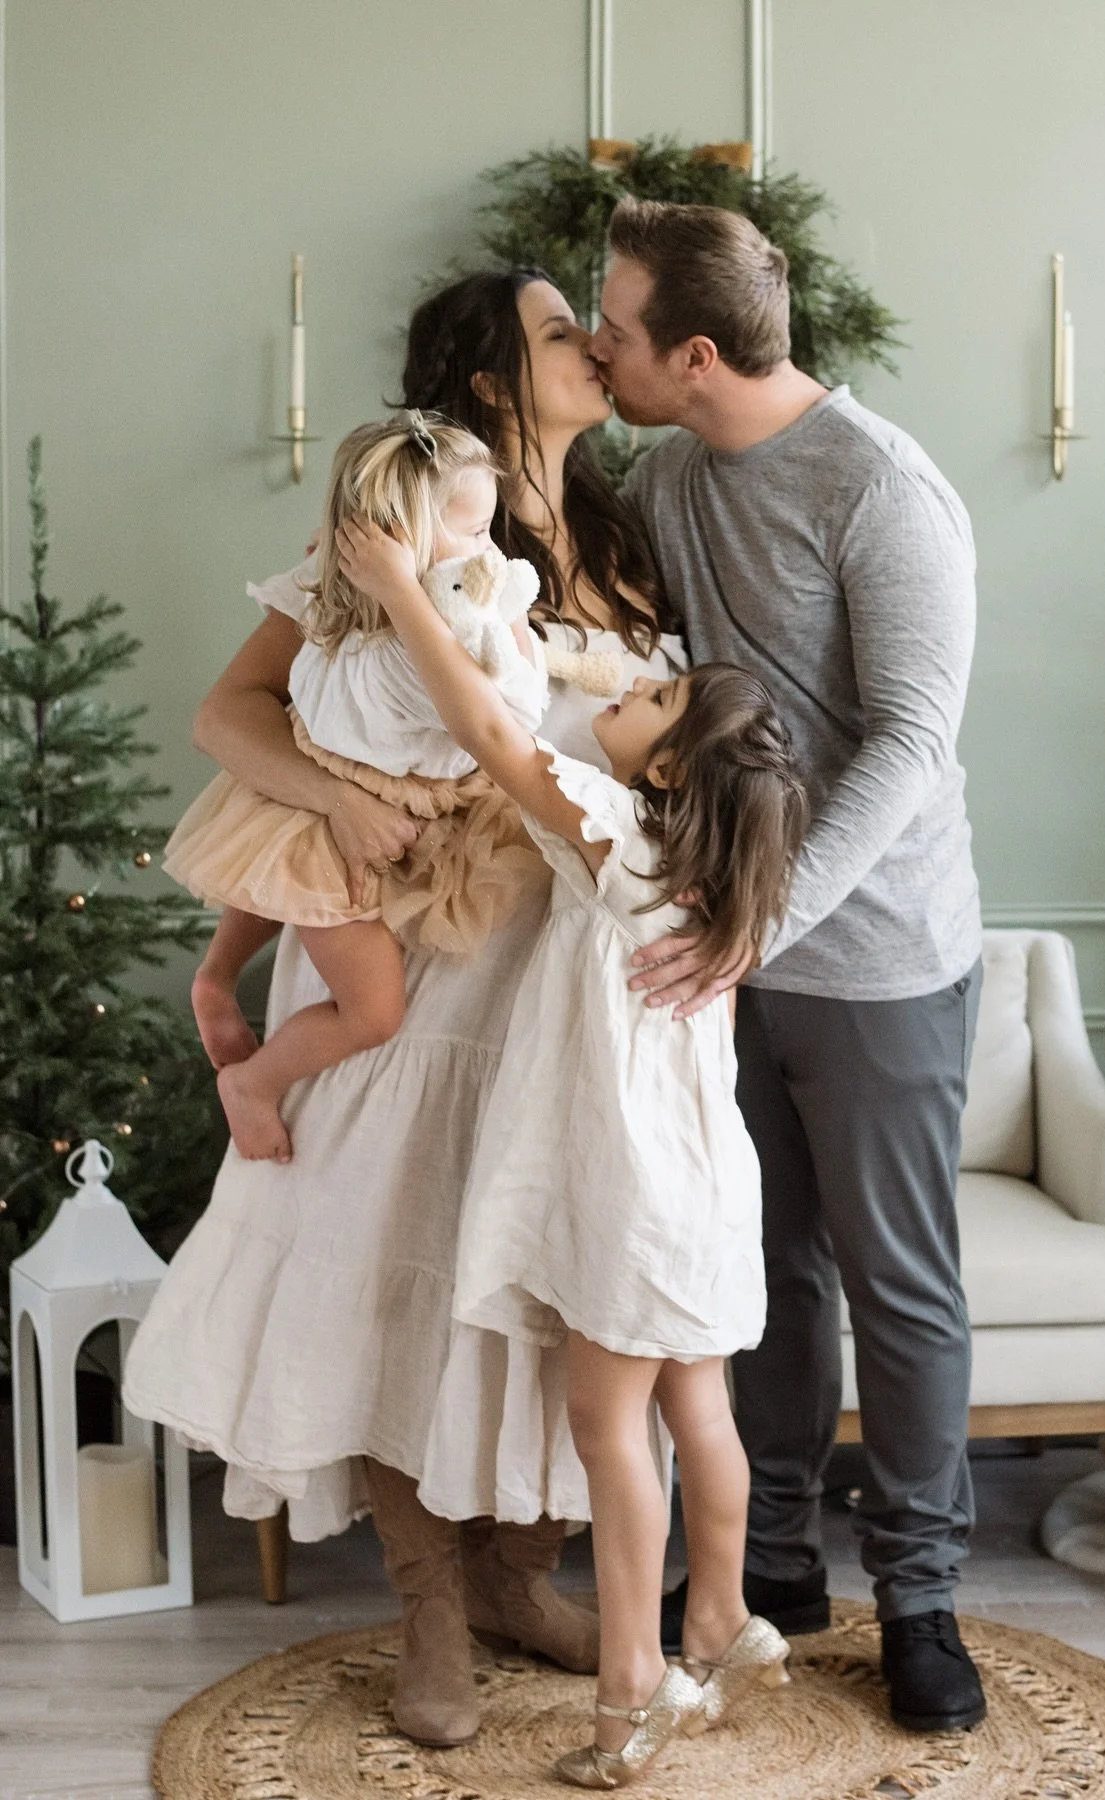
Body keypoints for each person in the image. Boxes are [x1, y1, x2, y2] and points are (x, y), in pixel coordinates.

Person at [124, 268, 683, 1749]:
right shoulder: (392, 527)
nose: (595, 346)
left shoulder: (627, 541)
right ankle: (429, 1601)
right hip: (410, 958)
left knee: (547, 1275)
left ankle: (518, 1577)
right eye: (561, 330)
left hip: (561, 970)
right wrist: (343, 798)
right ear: (490, 374)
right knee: (395, 1263)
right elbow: (231, 715)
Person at [589, 199, 987, 1734]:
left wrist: (771, 917)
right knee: (759, 1275)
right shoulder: (666, 477)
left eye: (618, 329)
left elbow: (912, 742)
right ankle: (772, 1568)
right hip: (728, 955)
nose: (601, 351)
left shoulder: (882, 487)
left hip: (879, 956)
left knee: (898, 1283)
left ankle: (923, 1599)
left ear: (696, 355)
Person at [338, 507, 804, 1787]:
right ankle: (724, 1612)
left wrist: (401, 590)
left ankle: (632, 1690)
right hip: (706, 1189)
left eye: (652, 698)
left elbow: (495, 736)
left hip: (632, 1193)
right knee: (698, 1405)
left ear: (670, 773)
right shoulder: (717, 886)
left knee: (611, 1430)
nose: (627, 691)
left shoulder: (621, 841)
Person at [165, 414, 547, 1162]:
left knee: (279, 871)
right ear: (396, 541)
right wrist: (420, 598)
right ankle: (251, 1083)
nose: (489, 554)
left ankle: (216, 975)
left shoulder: (369, 608)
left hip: (391, 798)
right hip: (335, 803)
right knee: (372, 1011)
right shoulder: (410, 639)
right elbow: (507, 713)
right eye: (473, 532)